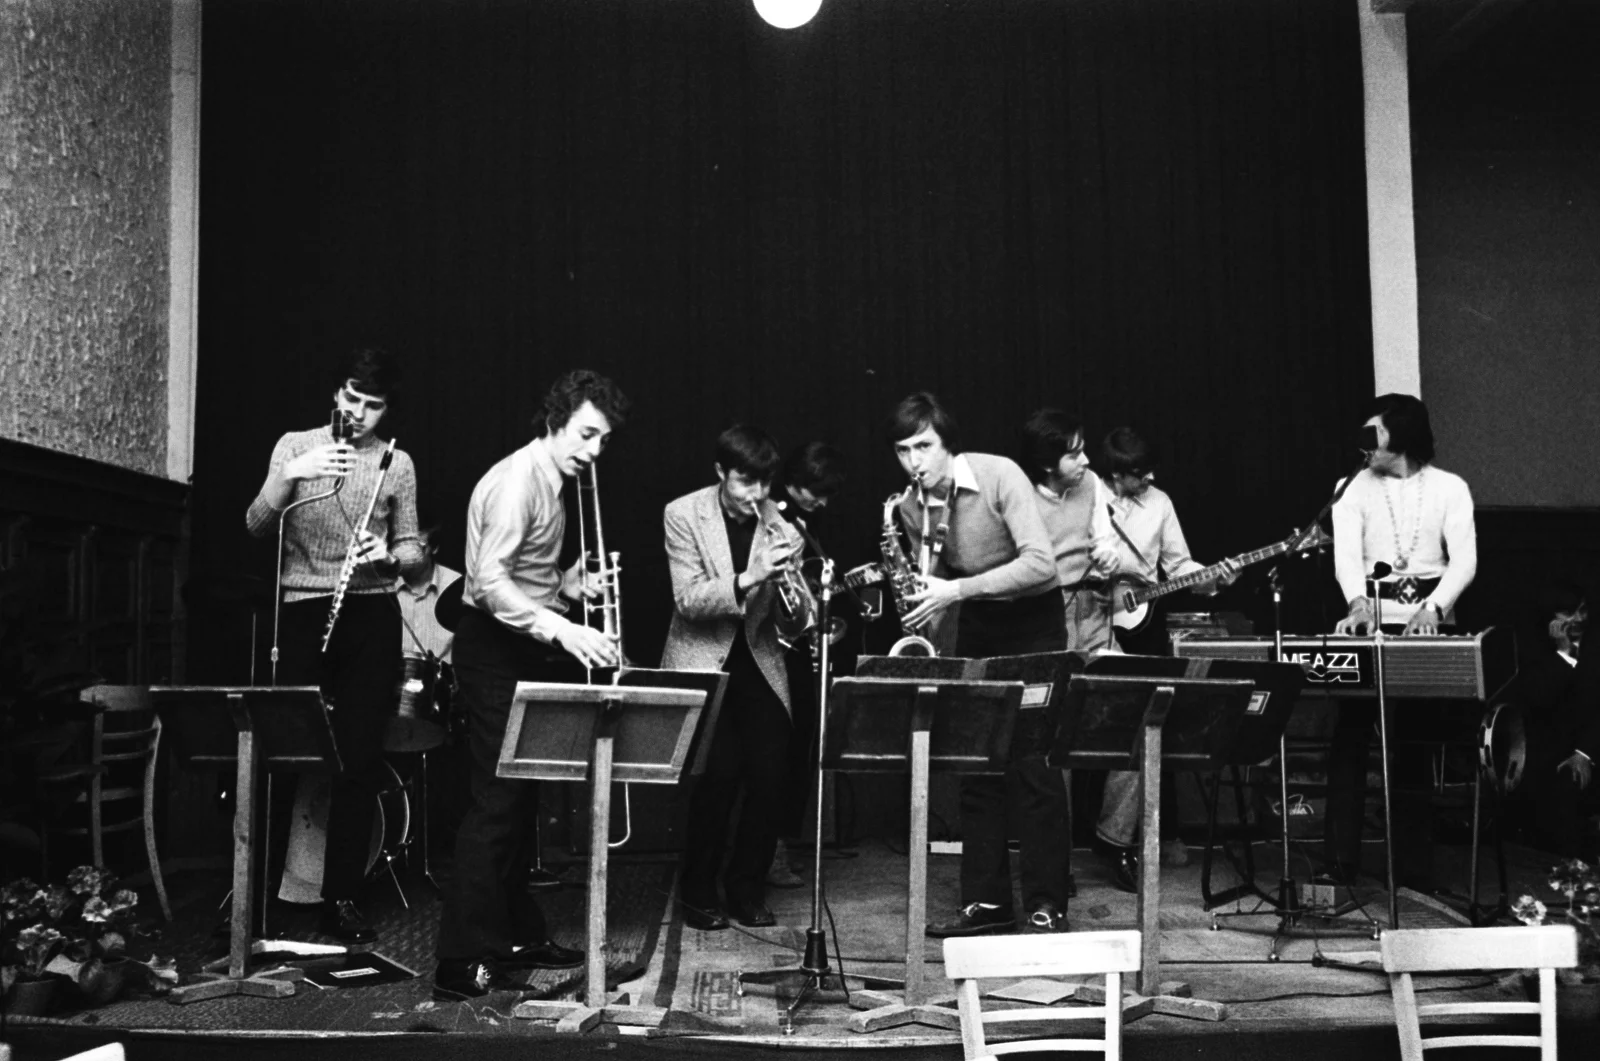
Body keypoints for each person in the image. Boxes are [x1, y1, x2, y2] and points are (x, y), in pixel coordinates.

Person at [432, 370, 629, 1001]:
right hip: (494, 648)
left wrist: (568, 588)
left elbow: (526, 577)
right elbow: (488, 583)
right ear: (555, 418)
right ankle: (460, 960)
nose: (594, 450)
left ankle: (516, 936)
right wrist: (564, 630)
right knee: (497, 799)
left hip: (521, 643)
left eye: (603, 440)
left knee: (521, 798)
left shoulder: (554, 478)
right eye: (586, 434)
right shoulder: (520, 480)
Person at [244, 347, 423, 945]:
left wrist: (390, 555)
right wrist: (290, 475)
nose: (359, 413)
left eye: (373, 405)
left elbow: (413, 551)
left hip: (370, 612)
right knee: (281, 753)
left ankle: (341, 896)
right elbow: (256, 526)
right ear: (336, 394)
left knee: (358, 757)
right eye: (352, 398)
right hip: (300, 609)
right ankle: (254, 895)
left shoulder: (397, 463)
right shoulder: (294, 445)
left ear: (387, 410)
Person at [885, 393, 1067, 935]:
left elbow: (1041, 563)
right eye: (903, 450)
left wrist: (956, 590)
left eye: (924, 446)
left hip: (1034, 620)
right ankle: (987, 903)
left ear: (948, 444)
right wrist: (929, 618)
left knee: (1034, 766)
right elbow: (937, 584)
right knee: (976, 766)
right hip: (975, 622)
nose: (914, 461)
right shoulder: (909, 507)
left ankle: (1047, 903)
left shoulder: (999, 475)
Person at [1326, 393, 1477, 889]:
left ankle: (1413, 870)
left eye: (1375, 433)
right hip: (1370, 627)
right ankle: (1340, 863)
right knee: (1350, 739)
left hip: (1426, 628)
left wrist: (1434, 608)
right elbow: (1346, 557)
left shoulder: (1451, 488)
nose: (1365, 444)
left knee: (1413, 744)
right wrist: (1357, 603)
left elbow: (1465, 561)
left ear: (1402, 435)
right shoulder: (1351, 488)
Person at [663, 426, 804, 930]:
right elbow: (688, 599)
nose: (757, 493)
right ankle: (698, 892)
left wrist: (794, 599)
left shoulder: (781, 525)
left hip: (760, 661)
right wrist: (751, 576)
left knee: (769, 779)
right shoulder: (683, 513)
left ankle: (747, 889)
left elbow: (792, 623)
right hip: (703, 660)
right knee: (717, 778)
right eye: (746, 481)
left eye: (765, 482)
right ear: (721, 472)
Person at [1093, 426, 1234, 889]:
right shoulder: (1086, 495)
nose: (1150, 477)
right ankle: (1054, 851)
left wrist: (1212, 577)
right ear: (1117, 473)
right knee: (1068, 724)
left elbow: (1179, 565)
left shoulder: (1160, 503)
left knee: (1139, 727)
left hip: (1142, 626)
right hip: (1083, 619)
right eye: (1140, 472)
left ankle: (1116, 841)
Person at [769, 442, 849, 890]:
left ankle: (781, 845)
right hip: (774, 647)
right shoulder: (775, 518)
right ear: (792, 483)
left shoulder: (806, 521)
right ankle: (771, 851)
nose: (822, 503)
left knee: (802, 748)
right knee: (781, 751)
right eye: (815, 493)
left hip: (800, 645)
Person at [1018, 410, 1121, 654]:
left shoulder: (1090, 482)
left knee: (1117, 671)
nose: (1085, 460)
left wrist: (1108, 555)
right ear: (1046, 463)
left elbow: (1103, 540)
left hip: (1091, 608)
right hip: (1046, 611)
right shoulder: (1021, 495)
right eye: (1074, 455)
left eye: (1083, 450)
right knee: (1059, 674)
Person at [1506, 586, 1598, 858]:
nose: (1578, 619)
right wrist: (1564, 654)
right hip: (1550, 752)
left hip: (1590, 747)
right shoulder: (1533, 649)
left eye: (1582, 610)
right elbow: (1539, 701)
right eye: (1568, 613)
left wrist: (1584, 754)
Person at [396, 526, 461, 665]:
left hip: (441, 676)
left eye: (416, 548)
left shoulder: (457, 586)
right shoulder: (383, 585)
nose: (408, 556)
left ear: (434, 548)